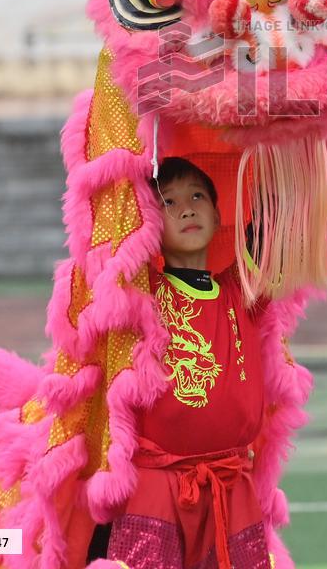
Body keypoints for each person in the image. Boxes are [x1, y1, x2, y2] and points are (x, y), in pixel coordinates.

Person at [100, 156, 273, 569]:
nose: (187, 210)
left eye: (197, 197)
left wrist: (279, 145)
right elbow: (111, 237)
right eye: (168, 202)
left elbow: (275, 223)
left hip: (231, 489)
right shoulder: (142, 292)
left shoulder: (242, 292)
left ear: (218, 215)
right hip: (156, 488)